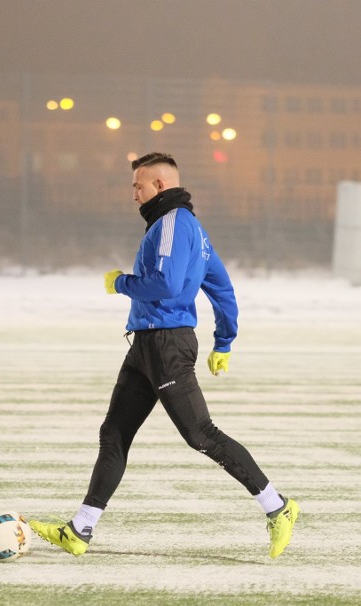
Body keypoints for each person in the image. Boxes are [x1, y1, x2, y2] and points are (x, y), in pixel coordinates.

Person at [29, 153, 299, 559]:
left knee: (200, 435)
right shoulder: (191, 229)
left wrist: (121, 283)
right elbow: (222, 288)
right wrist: (223, 341)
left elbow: (168, 285)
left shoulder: (173, 223)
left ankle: (278, 507)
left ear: (159, 185)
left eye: (138, 186)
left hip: (166, 345)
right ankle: (80, 530)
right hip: (146, 346)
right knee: (114, 434)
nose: (132, 194)